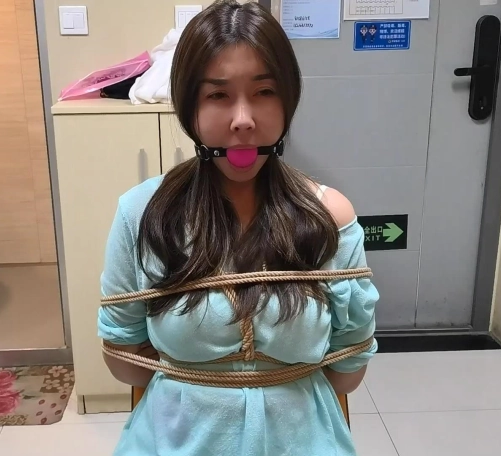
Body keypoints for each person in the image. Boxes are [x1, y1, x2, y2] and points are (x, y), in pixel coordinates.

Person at [97, 1, 379, 454]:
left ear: (288, 100)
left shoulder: (331, 218)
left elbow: (348, 372)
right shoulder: (141, 214)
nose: (243, 119)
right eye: (218, 95)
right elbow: (125, 363)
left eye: (264, 91)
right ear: (188, 105)